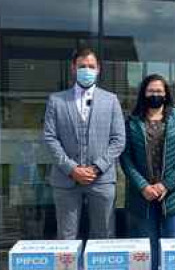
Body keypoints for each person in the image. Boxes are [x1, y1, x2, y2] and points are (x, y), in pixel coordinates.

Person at [120, 75, 175, 270]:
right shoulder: (132, 122)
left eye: (159, 91)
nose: (156, 95)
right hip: (142, 196)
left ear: (166, 94)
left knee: (173, 249)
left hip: (173, 196)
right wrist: (143, 186)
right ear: (143, 93)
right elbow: (125, 157)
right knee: (148, 248)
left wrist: (166, 185)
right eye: (151, 91)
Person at [43, 48, 126, 240]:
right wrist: (72, 169)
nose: (86, 70)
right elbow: (49, 137)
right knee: (66, 235)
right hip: (65, 179)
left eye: (91, 66)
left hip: (102, 179)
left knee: (104, 234)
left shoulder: (111, 100)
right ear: (73, 68)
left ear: (98, 69)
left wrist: (96, 168)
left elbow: (118, 139)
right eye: (82, 66)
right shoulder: (56, 100)